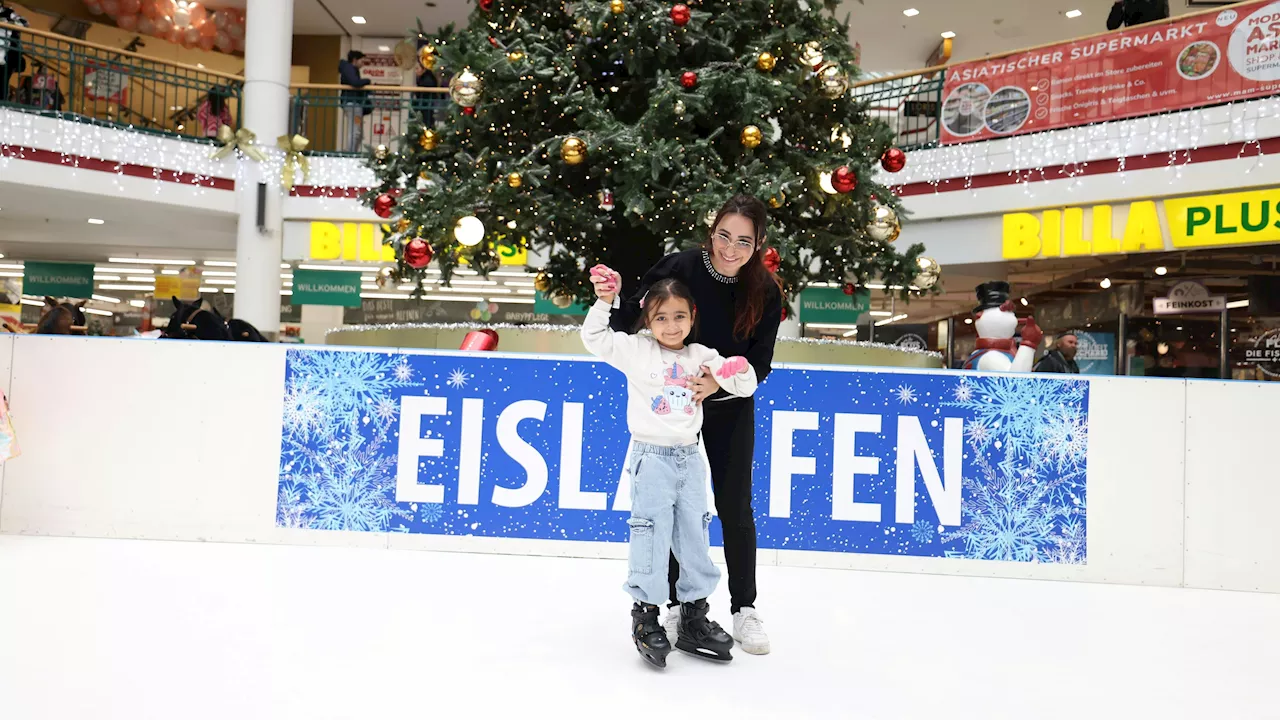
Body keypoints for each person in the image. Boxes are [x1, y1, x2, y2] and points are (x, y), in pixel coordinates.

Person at [593, 194, 782, 656]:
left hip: (729, 405)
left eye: (743, 241)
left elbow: (760, 366)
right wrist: (610, 294)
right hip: (672, 409)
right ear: (711, 231)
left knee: (734, 506)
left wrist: (717, 385)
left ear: (758, 245)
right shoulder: (678, 267)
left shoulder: (767, 292)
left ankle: (744, 608)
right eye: (723, 236)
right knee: (674, 509)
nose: (730, 249)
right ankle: (680, 606)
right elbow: (630, 320)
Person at [582, 274, 757, 669]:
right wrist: (605, 300)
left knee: (695, 532)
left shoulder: (701, 355)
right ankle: (646, 614)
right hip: (651, 459)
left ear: (693, 317)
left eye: (680, 316)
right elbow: (595, 339)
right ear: (647, 319)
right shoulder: (636, 350)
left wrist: (727, 373)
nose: (672, 326)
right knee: (650, 533)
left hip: (690, 459)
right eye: (661, 318)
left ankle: (693, 614)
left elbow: (747, 384)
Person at [338, 50, 372, 153]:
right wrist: (367, 81)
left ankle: (353, 151)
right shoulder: (349, 68)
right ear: (355, 60)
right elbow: (355, 82)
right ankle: (350, 152)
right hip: (352, 104)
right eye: (361, 60)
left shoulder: (350, 69)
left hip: (354, 104)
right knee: (355, 131)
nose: (363, 63)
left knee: (358, 132)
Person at [0, 1, 29, 104]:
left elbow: (24, 23)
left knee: (3, 80)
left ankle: (2, 103)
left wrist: (9, 22)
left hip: (7, 55)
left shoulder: (8, 13)